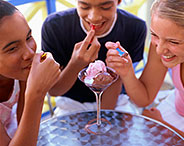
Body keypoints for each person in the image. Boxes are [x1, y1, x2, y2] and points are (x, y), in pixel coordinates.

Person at [105, 0, 184, 145]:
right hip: (174, 113)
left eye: (174, 42)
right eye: (154, 35)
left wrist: (164, 127)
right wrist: (127, 72)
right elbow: (144, 99)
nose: (159, 50)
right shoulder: (162, 45)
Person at [41, 0, 147, 115]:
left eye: (106, 7)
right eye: (84, 7)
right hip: (70, 103)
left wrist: (103, 118)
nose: (94, 17)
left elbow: (117, 86)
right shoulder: (55, 26)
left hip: (116, 102)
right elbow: (54, 90)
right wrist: (75, 64)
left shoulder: (134, 28)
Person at [0, 1, 60, 146]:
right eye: (13, 48)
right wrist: (37, 93)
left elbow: (25, 125)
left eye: (28, 38)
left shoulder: (20, 72)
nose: (29, 53)